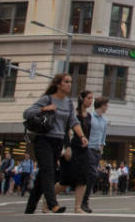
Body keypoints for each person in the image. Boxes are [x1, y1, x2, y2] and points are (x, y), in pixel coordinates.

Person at [23, 73, 88, 214]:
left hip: (57, 142)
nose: (69, 84)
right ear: (58, 84)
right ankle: (53, 204)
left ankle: (29, 208)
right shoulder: (47, 99)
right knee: (48, 171)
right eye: (66, 82)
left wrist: (82, 136)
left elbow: (73, 122)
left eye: (71, 82)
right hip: (43, 139)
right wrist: (43, 109)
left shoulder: (69, 103)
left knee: (42, 176)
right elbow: (27, 113)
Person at [54, 91, 93, 214]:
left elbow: (88, 133)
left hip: (83, 149)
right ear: (82, 99)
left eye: (92, 99)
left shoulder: (89, 116)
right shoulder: (73, 114)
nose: (91, 101)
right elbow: (65, 131)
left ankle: (77, 207)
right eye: (89, 98)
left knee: (83, 179)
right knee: (66, 180)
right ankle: (48, 200)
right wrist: (67, 147)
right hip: (72, 148)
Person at [81, 96, 109, 213]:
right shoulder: (90, 117)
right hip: (89, 149)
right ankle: (84, 201)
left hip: (97, 151)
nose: (107, 107)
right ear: (101, 105)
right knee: (92, 174)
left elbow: (103, 137)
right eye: (106, 105)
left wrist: (101, 149)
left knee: (90, 176)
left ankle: (84, 200)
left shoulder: (104, 121)